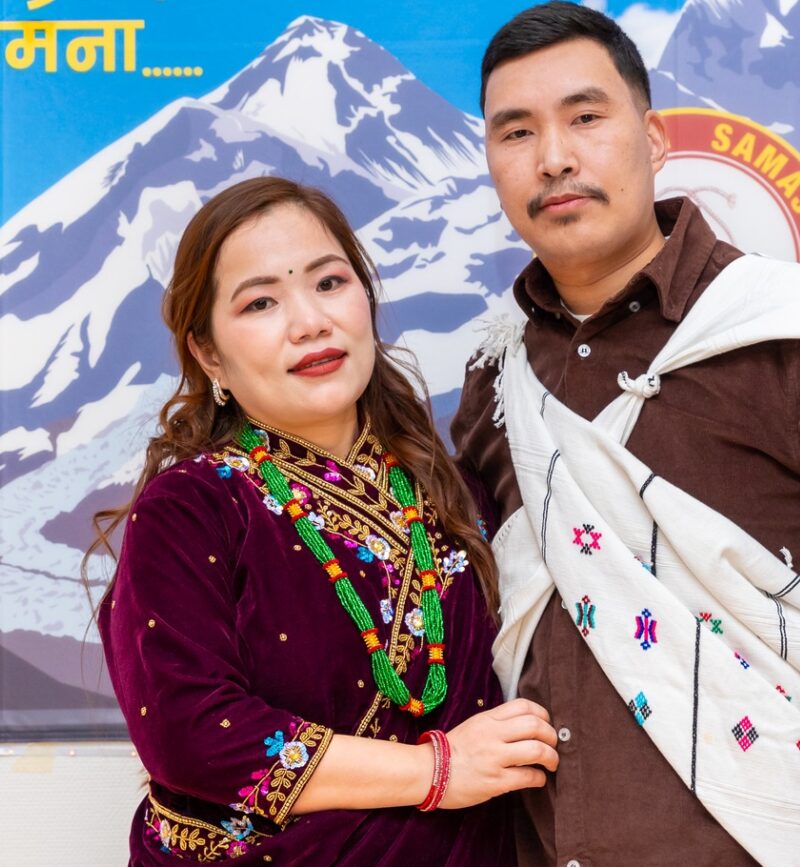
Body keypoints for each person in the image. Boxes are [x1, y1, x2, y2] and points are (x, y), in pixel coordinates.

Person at [451, 4, 800, 866]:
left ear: (654, 139)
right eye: (517, 132)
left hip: (779, 843)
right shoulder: (498, 376)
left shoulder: (794, 334)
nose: (554, 157)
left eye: (586, 117)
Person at [88, 177, 558, 865]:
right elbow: (190, 733)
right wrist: (436, 770)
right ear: (209, 354)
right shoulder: (191, 509)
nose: (309, 321)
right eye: (260, 302)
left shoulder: (455, 492)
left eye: (330, 283)